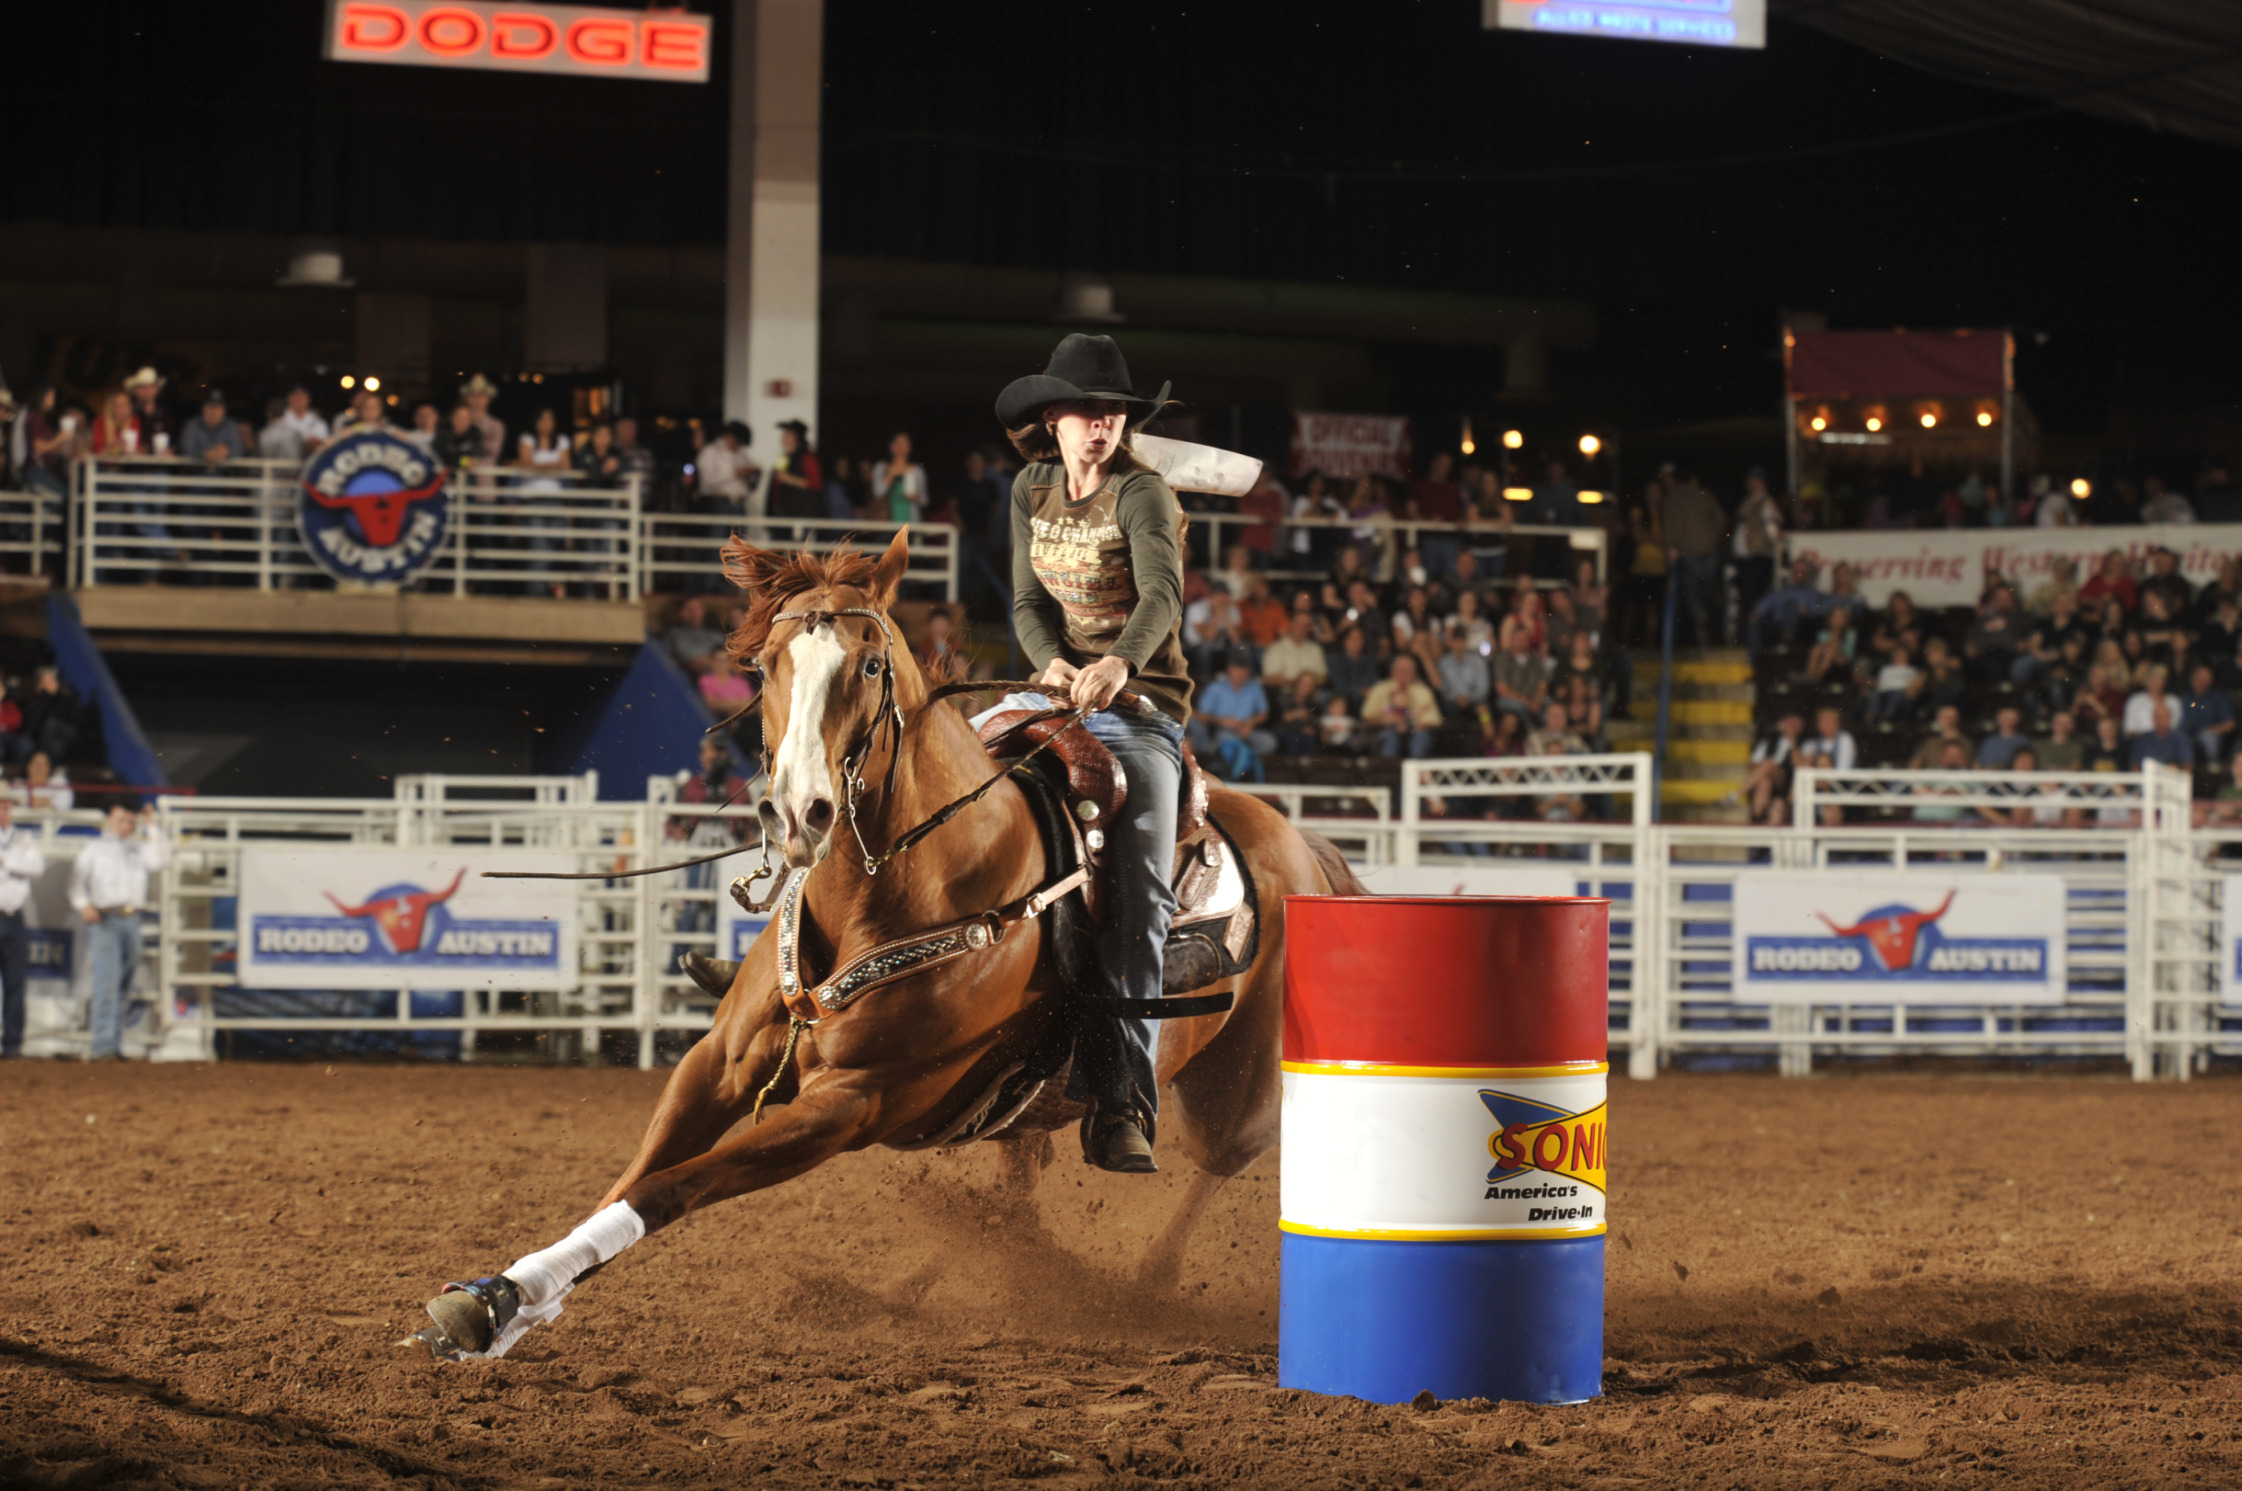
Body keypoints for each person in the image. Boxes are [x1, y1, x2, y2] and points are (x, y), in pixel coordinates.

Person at [999, 332, 1188, 1174]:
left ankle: (1125, 1099)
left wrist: (1119, 664)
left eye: (1113, 412)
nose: (1101, 424)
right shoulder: (1030, 488)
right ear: (1053, 418)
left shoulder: (1142, 494)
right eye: (1086, 411)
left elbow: (1163, 596)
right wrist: (1052, 662)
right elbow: (1027, 600)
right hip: (1053, 693)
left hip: (1142, 711)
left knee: (1142, 891)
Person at [68, 800, 168, 1062]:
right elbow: (76, 885)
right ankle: (103, 1045)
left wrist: (152, 827)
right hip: (105, 918)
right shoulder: (95, 849)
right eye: (121, 819)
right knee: (108, 983)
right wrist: (84, 906)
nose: (125, 825)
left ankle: (112, 1042)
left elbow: (161, 860)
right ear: (110, 819)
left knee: (123, 983)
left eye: (129, 821)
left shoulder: (139, 848)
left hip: (132, 918)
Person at [0, 799, 44, 1059]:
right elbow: (30, 866)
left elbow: (37, 867)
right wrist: (17, 863)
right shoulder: (22, 842)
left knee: (16, 982)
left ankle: (13, 1044)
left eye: (6, 807)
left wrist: (6, 862)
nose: (4, 812)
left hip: (14, 915)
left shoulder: (24, 837)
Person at [1661, 469, 1725, 646]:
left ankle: (1701, 618)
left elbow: (1669, 525)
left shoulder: (1672, 498)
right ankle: (1707, 626)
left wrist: (1671, 548)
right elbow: (1720, 517)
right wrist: (1712, 536)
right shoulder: (1704, 493)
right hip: (1710, 550)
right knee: (1706, 591)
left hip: (1690, 552)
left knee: (1691, 591)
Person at [1189, 651, 1275, 777]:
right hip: (1222, 731)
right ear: (1229, 670)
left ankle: (1245, 766)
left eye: (1244, 669)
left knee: (1269, 742)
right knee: (1227, 741)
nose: (1241, 673)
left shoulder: (1254, 687)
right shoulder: (1215, 688)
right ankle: (1233, 773)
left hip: (1247, 731)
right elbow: (1201, 715)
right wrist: (1221, 721)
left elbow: (1264, 713)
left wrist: (1250, 723)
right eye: (1237, 669)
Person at [1361, 653, 1442, 758]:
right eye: (1400, 669)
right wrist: (1383, 720)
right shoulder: (1380, 689)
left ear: (1414, 673)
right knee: (1390, 736)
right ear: (1392, 671)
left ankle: (1414, 771)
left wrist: (1421, 725)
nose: (1403, 673)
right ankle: (1388, 772)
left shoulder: (1423, 691)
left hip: (1415, 731)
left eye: (1407, 670)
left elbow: (1435, 720)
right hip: (1386, 730)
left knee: (1422, 737)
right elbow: (1366, 718)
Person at [694, 420, 758, 515]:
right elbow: (706, 481)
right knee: (719, 530)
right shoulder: (711, 452)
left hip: (740, 504)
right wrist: (734, 473)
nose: (738, 446)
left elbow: (749, 482)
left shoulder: (741, 455)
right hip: (719, 504)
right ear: (728, 436)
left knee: (737, 530)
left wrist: (750, 474)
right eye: (737, 441)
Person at [767, 419, 824, 522]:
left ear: (797, 437)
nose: (783, 437)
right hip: (781, 513)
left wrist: (789, 479)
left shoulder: (807, 457)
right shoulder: (783, 457)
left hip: (800, 515)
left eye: (788, 434)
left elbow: (816, 484)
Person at [1259, 609, 1327, 694]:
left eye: (1305, 625)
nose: (1302, 628)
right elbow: (1269, 678)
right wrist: (1295, 683)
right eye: (1299, 624)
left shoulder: (1316, 649)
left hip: (1312, 694)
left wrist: (1309, 681)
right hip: (1284, 694)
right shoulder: (1276, 649)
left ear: (1309, 628)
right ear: (1291, 624)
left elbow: (1323, 677)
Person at [2182, 662, 2235, 765]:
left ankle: (2211, 767)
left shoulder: (2217, 698)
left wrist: (2213, 730)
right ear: (2192, 679)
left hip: (2208, 735)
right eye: (2200, 678)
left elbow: (2231, 724)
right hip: (2186, 734)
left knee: (2207, 737)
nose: (2203, 682)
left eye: (2207, 680)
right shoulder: (2184, 697)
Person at [259, 385, 331, 460]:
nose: (299, 399)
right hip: (282, 464)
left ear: (308, 398)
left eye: (302, 396)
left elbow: (322, 447)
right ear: (288, 398)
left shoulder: (318, 422)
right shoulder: (278, 420)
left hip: (310, 466)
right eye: (295, 396)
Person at [176, 390, 247, 466]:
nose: (213, 411)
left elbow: (238, 449)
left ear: (223, 410)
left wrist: (226, 452)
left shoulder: (230, 426)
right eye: (210, 406)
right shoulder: (192, 425)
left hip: (223, 474)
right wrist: (205, 454)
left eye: (217, 407)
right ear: (203, 408)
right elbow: (185, 448)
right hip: (195, 474)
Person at [872, 431, 927, 526]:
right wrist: (891, 475)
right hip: (886, 523)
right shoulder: (881, 467)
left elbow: (925, 500)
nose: (900, 447)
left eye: (904, 443)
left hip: (910, 524)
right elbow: (877, 493)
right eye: (897, 443)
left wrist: (915, 497)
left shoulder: (916, 471)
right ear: (891, 446)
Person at [1436, 622, 1491, 714]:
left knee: (1484, 712)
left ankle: (1490, 728)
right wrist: (1456, 698)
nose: (1460, 645)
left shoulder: (1478, 662)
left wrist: (1469, 698)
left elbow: (1483, 688)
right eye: (1457, 641)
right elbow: (1442, 687)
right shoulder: (1443, 663)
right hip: (1451, 702)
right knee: (1446, 709)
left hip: (1474, 702)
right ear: (1452, 642)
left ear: (1467, 642)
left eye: (1462, 641)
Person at [661, 596, 725, 676]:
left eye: (697, 609)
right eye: (690, 610)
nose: (694, 613)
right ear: (681, 613)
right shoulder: (673, 634)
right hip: (685, 675)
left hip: (716, 675)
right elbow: (668, 658)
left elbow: (726, 656)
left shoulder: (714, 634)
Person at [2130, 701, 2193, 770]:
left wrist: (2176, 769)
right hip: (2147, 778)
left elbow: (2188, 765)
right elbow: (2135, 764)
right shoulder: (2143, 740)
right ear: (2153, 719)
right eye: (2158, 717)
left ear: (2169, 718)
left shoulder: (2180, 739)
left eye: (2164, 717)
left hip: (2172, 778)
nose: (2161, 720)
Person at [460, 374, 507, 466]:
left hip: (483, 475)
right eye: (473, 395)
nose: (477, 399)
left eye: (481, 395)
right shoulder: (457, 421)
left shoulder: (496, 425)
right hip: (459, 475)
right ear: (466, 398)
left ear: (488, 398)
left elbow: (494, 451)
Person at [432, 403, 484, 471]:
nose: (461, 421)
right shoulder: (442, 433)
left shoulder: (475, 434)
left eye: (464, 418)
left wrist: (469, 460)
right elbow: (440, 455)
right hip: (445, 474)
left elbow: (478, 453)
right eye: (458, 417)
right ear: (451, 418)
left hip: (469, 476)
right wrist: (462, 461)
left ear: (470, 420)